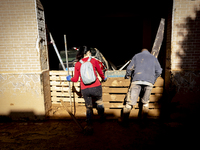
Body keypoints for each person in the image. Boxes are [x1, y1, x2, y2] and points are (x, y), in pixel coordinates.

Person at [66, 46, 107, 131]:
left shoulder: (77, 64)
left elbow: (75, 79)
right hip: (96, 86)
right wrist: (103, 78)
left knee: (88, 107)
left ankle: (89, 124)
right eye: (90, 52)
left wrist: (70, 78)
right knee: (99, 102)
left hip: (85, 89)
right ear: (88, 52)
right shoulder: (94, 61)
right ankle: (102, 118)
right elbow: (100, 72)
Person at [123, 49, 162, 118]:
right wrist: (153, 79)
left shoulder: (137, 56)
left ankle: (124, 120)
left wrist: (127, 76)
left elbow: (129, 68)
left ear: (141, 52)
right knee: (145, 102)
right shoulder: (153, 58)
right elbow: (159, 71)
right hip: (149, 82)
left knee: (129, 102)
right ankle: (143, 122)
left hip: (136, 80)